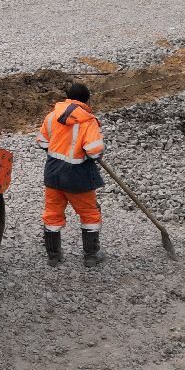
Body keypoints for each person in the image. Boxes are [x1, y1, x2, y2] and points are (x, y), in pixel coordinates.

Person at [36, 82, 106, 267]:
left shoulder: (52, 116)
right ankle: (91, 256)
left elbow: (42, 141)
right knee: (90, 213)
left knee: (52, 214)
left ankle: (53, 256)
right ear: (87, 100)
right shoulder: (88, 121)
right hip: (78, 178)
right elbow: (94, 151)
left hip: (53, 174)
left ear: (67, 97)